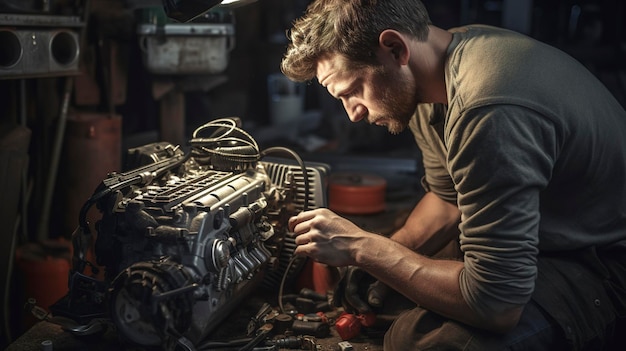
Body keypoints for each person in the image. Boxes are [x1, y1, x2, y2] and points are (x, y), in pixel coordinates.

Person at [281, 0, 626, 350]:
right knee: (394, 300)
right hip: (551, 234)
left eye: (353, 90)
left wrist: (362, 247)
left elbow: (496, 302)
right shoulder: (432, 73)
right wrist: (384, 260)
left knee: (423, 343)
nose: (353, 113)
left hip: (604, 260)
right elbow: (447, 200)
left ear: (395, 48)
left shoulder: (488, 107)